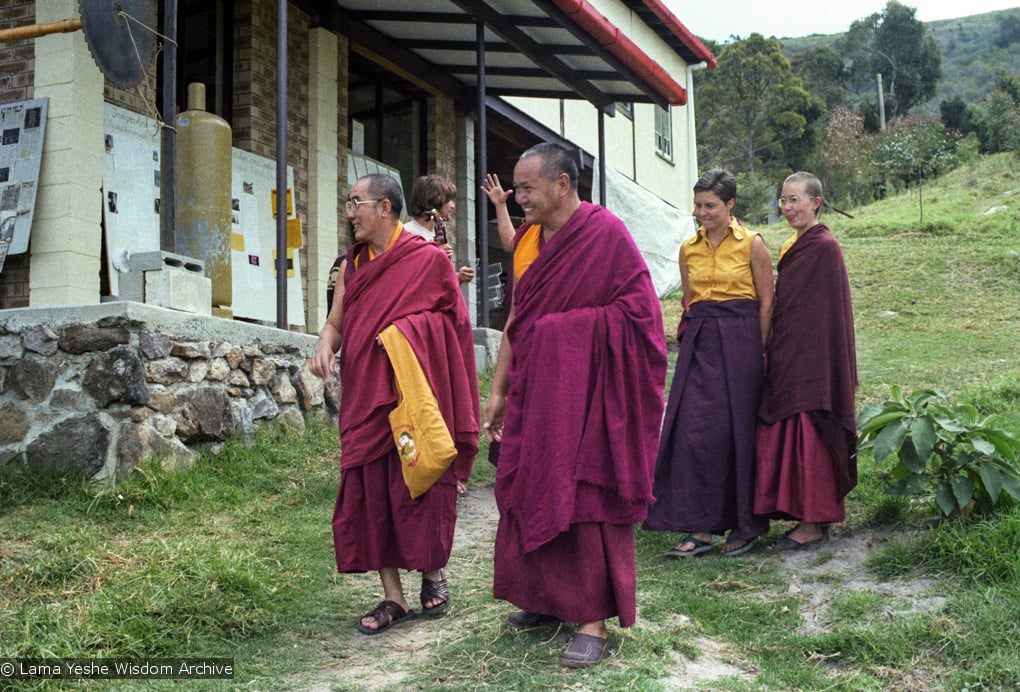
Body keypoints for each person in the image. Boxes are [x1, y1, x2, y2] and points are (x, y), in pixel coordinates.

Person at [483, 143, 667, 668]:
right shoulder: (527, 241)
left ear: (562, 185)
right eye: (516, 190)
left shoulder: (604, 233)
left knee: (585, 494)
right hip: (540, 387)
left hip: (591, 395)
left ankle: (592, 620)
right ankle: (542, 599)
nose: (518, 199)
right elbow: (520, 318)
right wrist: (498, 390)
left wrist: (566, 335)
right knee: (527, 480)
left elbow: (640, 320)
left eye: (526, 189)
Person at [309, 173, 480, 634]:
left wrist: (405, 334)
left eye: (355, 203)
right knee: (371, 488)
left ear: (384, 208)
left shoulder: (427, 260)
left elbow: (454, 327)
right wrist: (325, 345)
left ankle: (433, 575)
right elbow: (336, 322)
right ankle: (393, 596)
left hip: (414, 393)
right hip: (366, 392)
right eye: (348, 204)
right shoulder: (351, 265)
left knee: (421, 479)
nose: (349, 213)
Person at [643, 170, 774, 558]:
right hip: (700, 343)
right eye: (698, 205)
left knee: (738, 433)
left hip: (742, 342)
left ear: (730, 205)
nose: (701, 212)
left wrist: (757, 349)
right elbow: (688, 301)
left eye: (710, 206)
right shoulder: (689, 249)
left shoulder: (753, 244)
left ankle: (744, 524)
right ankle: (699, 526)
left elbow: (767, 302)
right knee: (692, 432)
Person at [755, 171, 857, 550]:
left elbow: (827, 312)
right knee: (782, 422)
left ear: (815, 202)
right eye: (783, 200)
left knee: (812, 424)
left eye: (795, 200)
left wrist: (811, 354)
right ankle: (796, 511)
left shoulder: (824, 246)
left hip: (815, 358)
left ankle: (814, 521)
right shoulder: (791, 245)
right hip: (788, 349)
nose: (787, 208)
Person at [405, 174, 475, 285]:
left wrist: (458, 277)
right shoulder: (407, 233)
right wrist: (435, 255)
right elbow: (406, 276)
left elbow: (437, 280)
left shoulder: (439, 233)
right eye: (449, 200)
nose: (453, 206)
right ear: (434, 200)